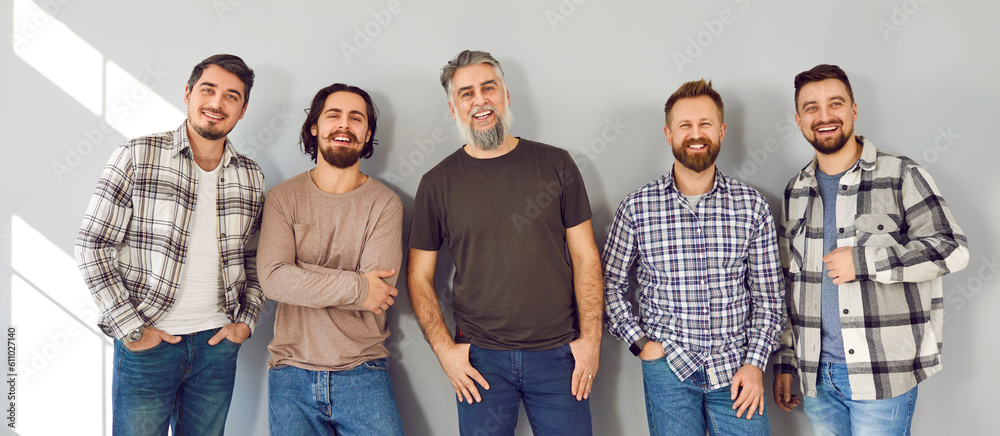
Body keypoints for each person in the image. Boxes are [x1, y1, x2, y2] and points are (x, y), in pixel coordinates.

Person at [406, 50, 603, 435]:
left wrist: (590, 340)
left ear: (506, 95)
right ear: (453, 109)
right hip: (480, 362)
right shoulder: (436, 183)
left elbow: (585, 257)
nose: (479, 100)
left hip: (560, 354)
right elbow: (418, 275)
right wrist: (446, 352)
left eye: (488, 88)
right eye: (466, 94)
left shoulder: (557, 165)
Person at [772, 64, 970, 435]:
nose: (825, 116)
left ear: (853, 110)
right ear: (799, 120)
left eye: (835, 103)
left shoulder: (900, 174)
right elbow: (789, 284)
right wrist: (786, 362)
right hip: (816, 374)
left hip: (882, 374)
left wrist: (864, 261)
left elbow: (951, 249)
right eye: (811, 108)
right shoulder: (794, 190)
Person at [74, 54, 265, 435]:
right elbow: (91, 244)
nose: (216, 103)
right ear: (188, 93)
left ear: (243, 110)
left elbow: (255, 259)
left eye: (231, 96)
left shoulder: (251, 176)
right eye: (208, 90)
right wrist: (131, 329)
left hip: (217, 347)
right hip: (148, 344)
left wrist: (245, 322)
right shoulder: (137, 155)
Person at [603, 79, 785, 436]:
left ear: (722, 130)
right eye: (685, 125)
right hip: (668, 369)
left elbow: (770, 299)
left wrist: (754, 364)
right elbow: (609, 284)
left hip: (737, 371)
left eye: (705, 124)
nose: (695, 134)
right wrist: (642, 344)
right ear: (669, 133)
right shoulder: (637, 207)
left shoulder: (752, 207)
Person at [258, 83, 405, 435]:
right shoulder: (282, 198)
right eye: (333, 115)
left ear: (367, 134)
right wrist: (357, 285)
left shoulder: (385, 204)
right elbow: (273, 279)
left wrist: (298, 274)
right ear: (315, 127)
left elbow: (378, 293)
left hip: (363, 370)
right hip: (290, 373)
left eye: (356, 118)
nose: (344, 125)